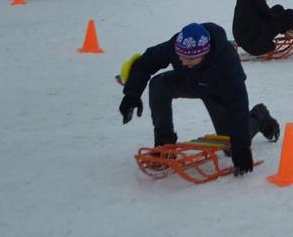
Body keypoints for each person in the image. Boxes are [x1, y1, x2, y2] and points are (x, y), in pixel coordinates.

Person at [117, 22, 280, 176]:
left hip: (218, 91)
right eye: (181, 57)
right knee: (159, 84)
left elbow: (238, 103)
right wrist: (132, 94)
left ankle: (259, 116)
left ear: (205, 54)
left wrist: (241, 146)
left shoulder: (226, 61)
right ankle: (164, 144)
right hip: (189, 81)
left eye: (190, 59)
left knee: (231, 145)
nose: (184, 61)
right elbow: (145, 63)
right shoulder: (177, 46)